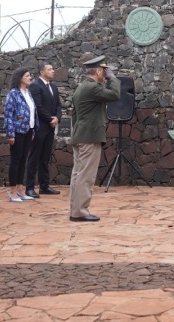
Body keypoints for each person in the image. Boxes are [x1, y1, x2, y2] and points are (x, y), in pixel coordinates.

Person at [68, 54, 119, 222]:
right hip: (89, 137)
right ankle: (80, 212)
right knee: (86, 176)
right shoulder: (92, 87)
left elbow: (74, 116)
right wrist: (112, 77)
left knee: (78, 175)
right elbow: (114, 94)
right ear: (97, 71)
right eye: (103, 71)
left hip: (81, 136)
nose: (105, 75)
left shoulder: (82, 87)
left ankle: (76, 209)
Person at [26, 61, 62, 198]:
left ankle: (44, 186)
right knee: (34, 157)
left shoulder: (53, 87)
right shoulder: (35, 86)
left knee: (45, 158)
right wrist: (50, 119)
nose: (53, 71)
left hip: (51, 127)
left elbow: (58, 105)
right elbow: (38, 106)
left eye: (53, 68)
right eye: (50, 69)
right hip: (40, 127)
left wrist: (57, 118)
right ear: (42, 72)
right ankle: (29, 187)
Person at [4, 67, 38, 202]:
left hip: (28, 130)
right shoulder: (13, 94)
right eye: (27, 76)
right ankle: (12, 191)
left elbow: (32, 113)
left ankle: (20, 189)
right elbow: (8, 114)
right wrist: (10, 134)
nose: (30, 78)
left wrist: (34, 129)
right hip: (17, 131)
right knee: (16, 160)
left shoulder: (28, 93)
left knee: (24, 160)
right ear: (20, 78)